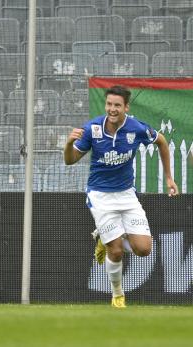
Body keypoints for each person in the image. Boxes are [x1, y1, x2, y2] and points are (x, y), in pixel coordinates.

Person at [64, 85, 179, 308]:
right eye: (109, 104)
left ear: (126, 107)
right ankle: (118, 295)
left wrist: (169, 178)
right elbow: (69, 160)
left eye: (117, 105)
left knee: (144, 249)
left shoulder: (135, 128)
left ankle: (105, 236)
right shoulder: (92, 129)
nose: (112, 109)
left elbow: (162, 142)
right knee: (115, 250)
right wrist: (69, 143)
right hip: (100, 196)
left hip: (127, 195)